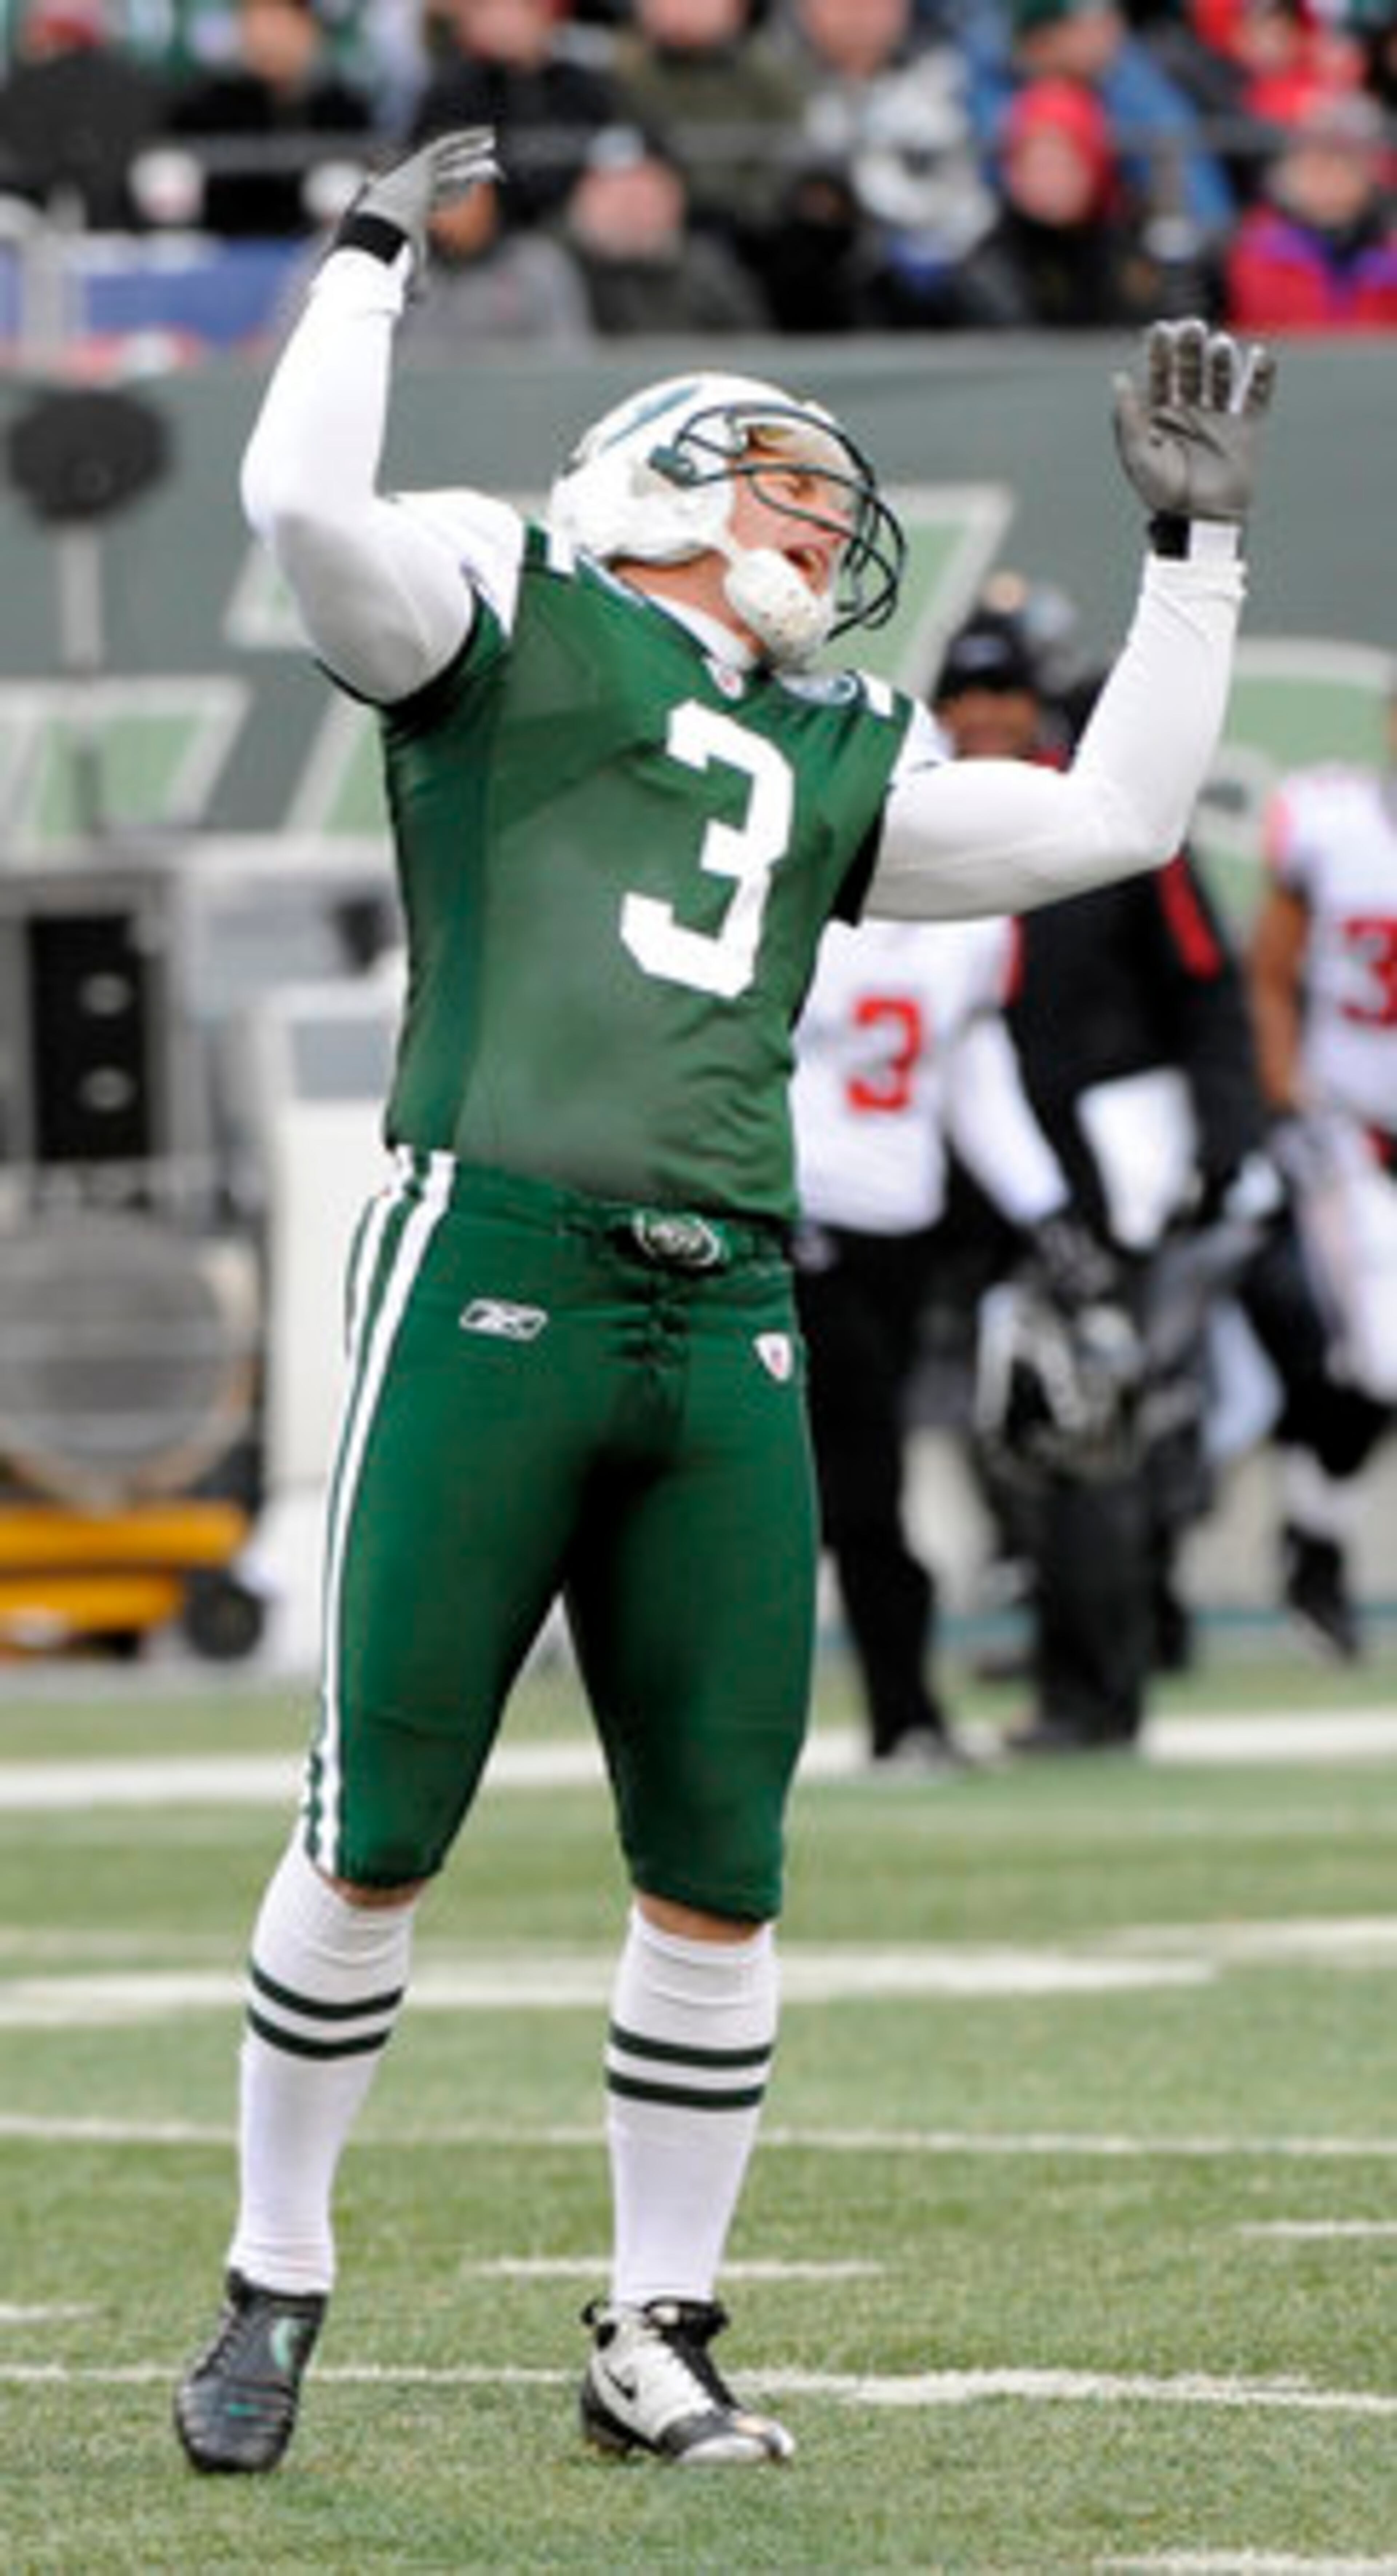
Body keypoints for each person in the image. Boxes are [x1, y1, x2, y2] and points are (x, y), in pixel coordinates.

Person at [171, 122, 1272, 2475]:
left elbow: (1110, 824)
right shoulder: (508, 606)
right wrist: (367, 266)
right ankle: (278, 2266)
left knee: (721, 1861)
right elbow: (296, 513)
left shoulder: (831, 744)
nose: (819, 534)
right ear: (660, 478)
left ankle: (658, 2324)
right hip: (495, 1261)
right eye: (784, 488)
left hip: (731, 1311)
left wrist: (1197, 560)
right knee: (379, 1820)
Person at [791, 903, 1111, 1773]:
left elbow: (978, 1082)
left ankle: (904, 1717)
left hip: (902, 1228)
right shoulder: (798, 908)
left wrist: (1045, 1209)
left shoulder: (969, 933)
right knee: (860, 1488)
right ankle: (904, 1716)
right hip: (799, 1222)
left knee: (853, 1489)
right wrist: (759, 1195)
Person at [1247, 680, 1397, 1656]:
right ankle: (1316, 1541)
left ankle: (1312, 1531)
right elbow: (1270, 968)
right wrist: (1284, 1086)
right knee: (1381, 1360)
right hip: (1356, 1133)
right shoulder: (1335, 826)